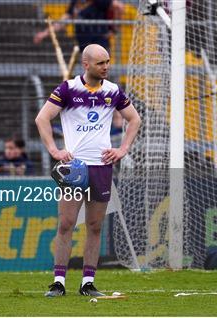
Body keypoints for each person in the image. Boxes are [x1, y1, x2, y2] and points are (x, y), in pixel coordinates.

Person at [35, 44, 140, 297]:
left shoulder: (113, 91)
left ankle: (87, 284)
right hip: (75, 167)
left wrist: (123, 149)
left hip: (102, 166)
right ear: (86, 64)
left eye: (107, 62)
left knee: (94, 226)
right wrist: (54, 151)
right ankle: (58, 282)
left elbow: (134, 119)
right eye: (101, 63)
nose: (106, 67)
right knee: (67, 223)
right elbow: (42, 118)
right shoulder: (68, 89)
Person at [33, 0, 125, 52]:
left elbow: (119, 7)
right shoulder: (76, 3)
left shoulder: (99, 1)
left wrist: (114, 30)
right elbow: (64, 20)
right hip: (83, 44)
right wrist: (44, 33)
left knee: (99, 77)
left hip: (99, 44)